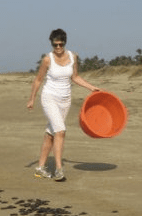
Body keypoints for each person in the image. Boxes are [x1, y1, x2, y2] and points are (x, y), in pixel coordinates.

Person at [27, 29, 100, 181]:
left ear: (65, 43)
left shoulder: (73, 57)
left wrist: (92, 87)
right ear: (52, 43)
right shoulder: (48, 59)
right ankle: (59, 169)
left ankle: (40, 167)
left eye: (61, 44)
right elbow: (38, 80)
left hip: (65, 100)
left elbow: (75, 77)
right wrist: (32, 99)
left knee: (51, 133)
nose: (58, 47)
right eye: (55, 44)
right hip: (49, 97)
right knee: (60, 131)